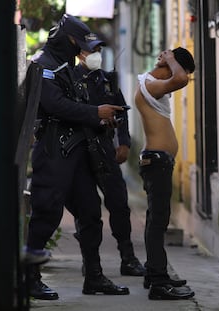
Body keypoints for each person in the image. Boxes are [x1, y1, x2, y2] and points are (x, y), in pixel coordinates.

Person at [25, 14, 130, 300]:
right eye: (80, 44)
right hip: (53, 150)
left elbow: (77, 102)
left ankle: (94, 276)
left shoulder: (66, 67)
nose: (83, 50)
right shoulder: (42, 64)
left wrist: (104, 117)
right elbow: (54, 104)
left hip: (77, 150)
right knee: (46, 212)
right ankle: (29, 278)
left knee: (90, 212)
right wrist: (96, 113)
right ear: (66, 39)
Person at [72, 45, 145, 277]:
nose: (96, 55)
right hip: (80, 150)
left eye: (98, 50)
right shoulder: (70, 78)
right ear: (80, 54)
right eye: (90, 51)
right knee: (87, 210)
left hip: (105, 149)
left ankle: (128, 258)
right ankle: (91, 263)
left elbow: (122, 112)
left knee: (119, 204)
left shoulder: (108, 80)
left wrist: (123, 142)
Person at [134, 47, 196, 300]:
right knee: (158, 221)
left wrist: (170, 62)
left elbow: (181, 77)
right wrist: (170, 59)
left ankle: (154, 273)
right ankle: (159, 283)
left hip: (158, 160)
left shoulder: (153, 84)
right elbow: (182, 78)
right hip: (157, 161)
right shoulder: (151, 85)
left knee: (156, 219)